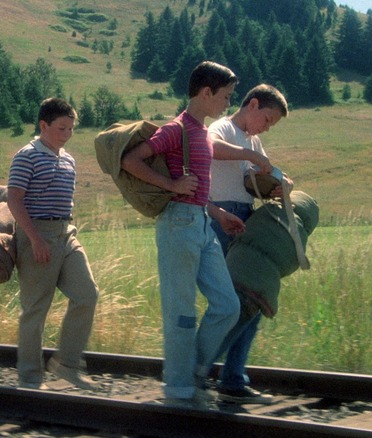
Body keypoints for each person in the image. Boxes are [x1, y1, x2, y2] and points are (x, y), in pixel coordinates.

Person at [121, 61, 273, 407]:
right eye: (225, 96)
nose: (227, 104)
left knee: (227, 305)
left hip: (202, 224)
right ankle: (179, 391)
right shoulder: (176, 129)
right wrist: (171, 184)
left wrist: (218, 213)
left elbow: (201, 185)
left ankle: (194, 373)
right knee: (182, 311)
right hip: (177, 224)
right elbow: (132, 160)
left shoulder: (202, 133)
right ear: (206, 93)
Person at [7, 97, 99, 390]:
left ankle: (68, 365)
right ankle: (30, 377)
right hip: (37, 234)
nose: (67, 134)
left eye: (71, 129)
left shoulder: (68, 158)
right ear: (43, 125)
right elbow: (14, 199)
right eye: (61, 128)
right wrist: (35, 239)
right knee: (36, 308)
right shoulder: (27, 155)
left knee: (87, 294)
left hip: (66, 232)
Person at [208, 84, 291, 404]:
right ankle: (199, 371)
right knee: (231, 300)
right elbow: (210, 147)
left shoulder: (254, 140)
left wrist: (276, 187)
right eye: (267, 119)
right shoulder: (224, 127)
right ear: (253, 105)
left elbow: (256, 179)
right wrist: (250, 154)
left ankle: (231, 377)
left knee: (250, 300)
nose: (267, 127)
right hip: (220, 217)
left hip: (244, 217)